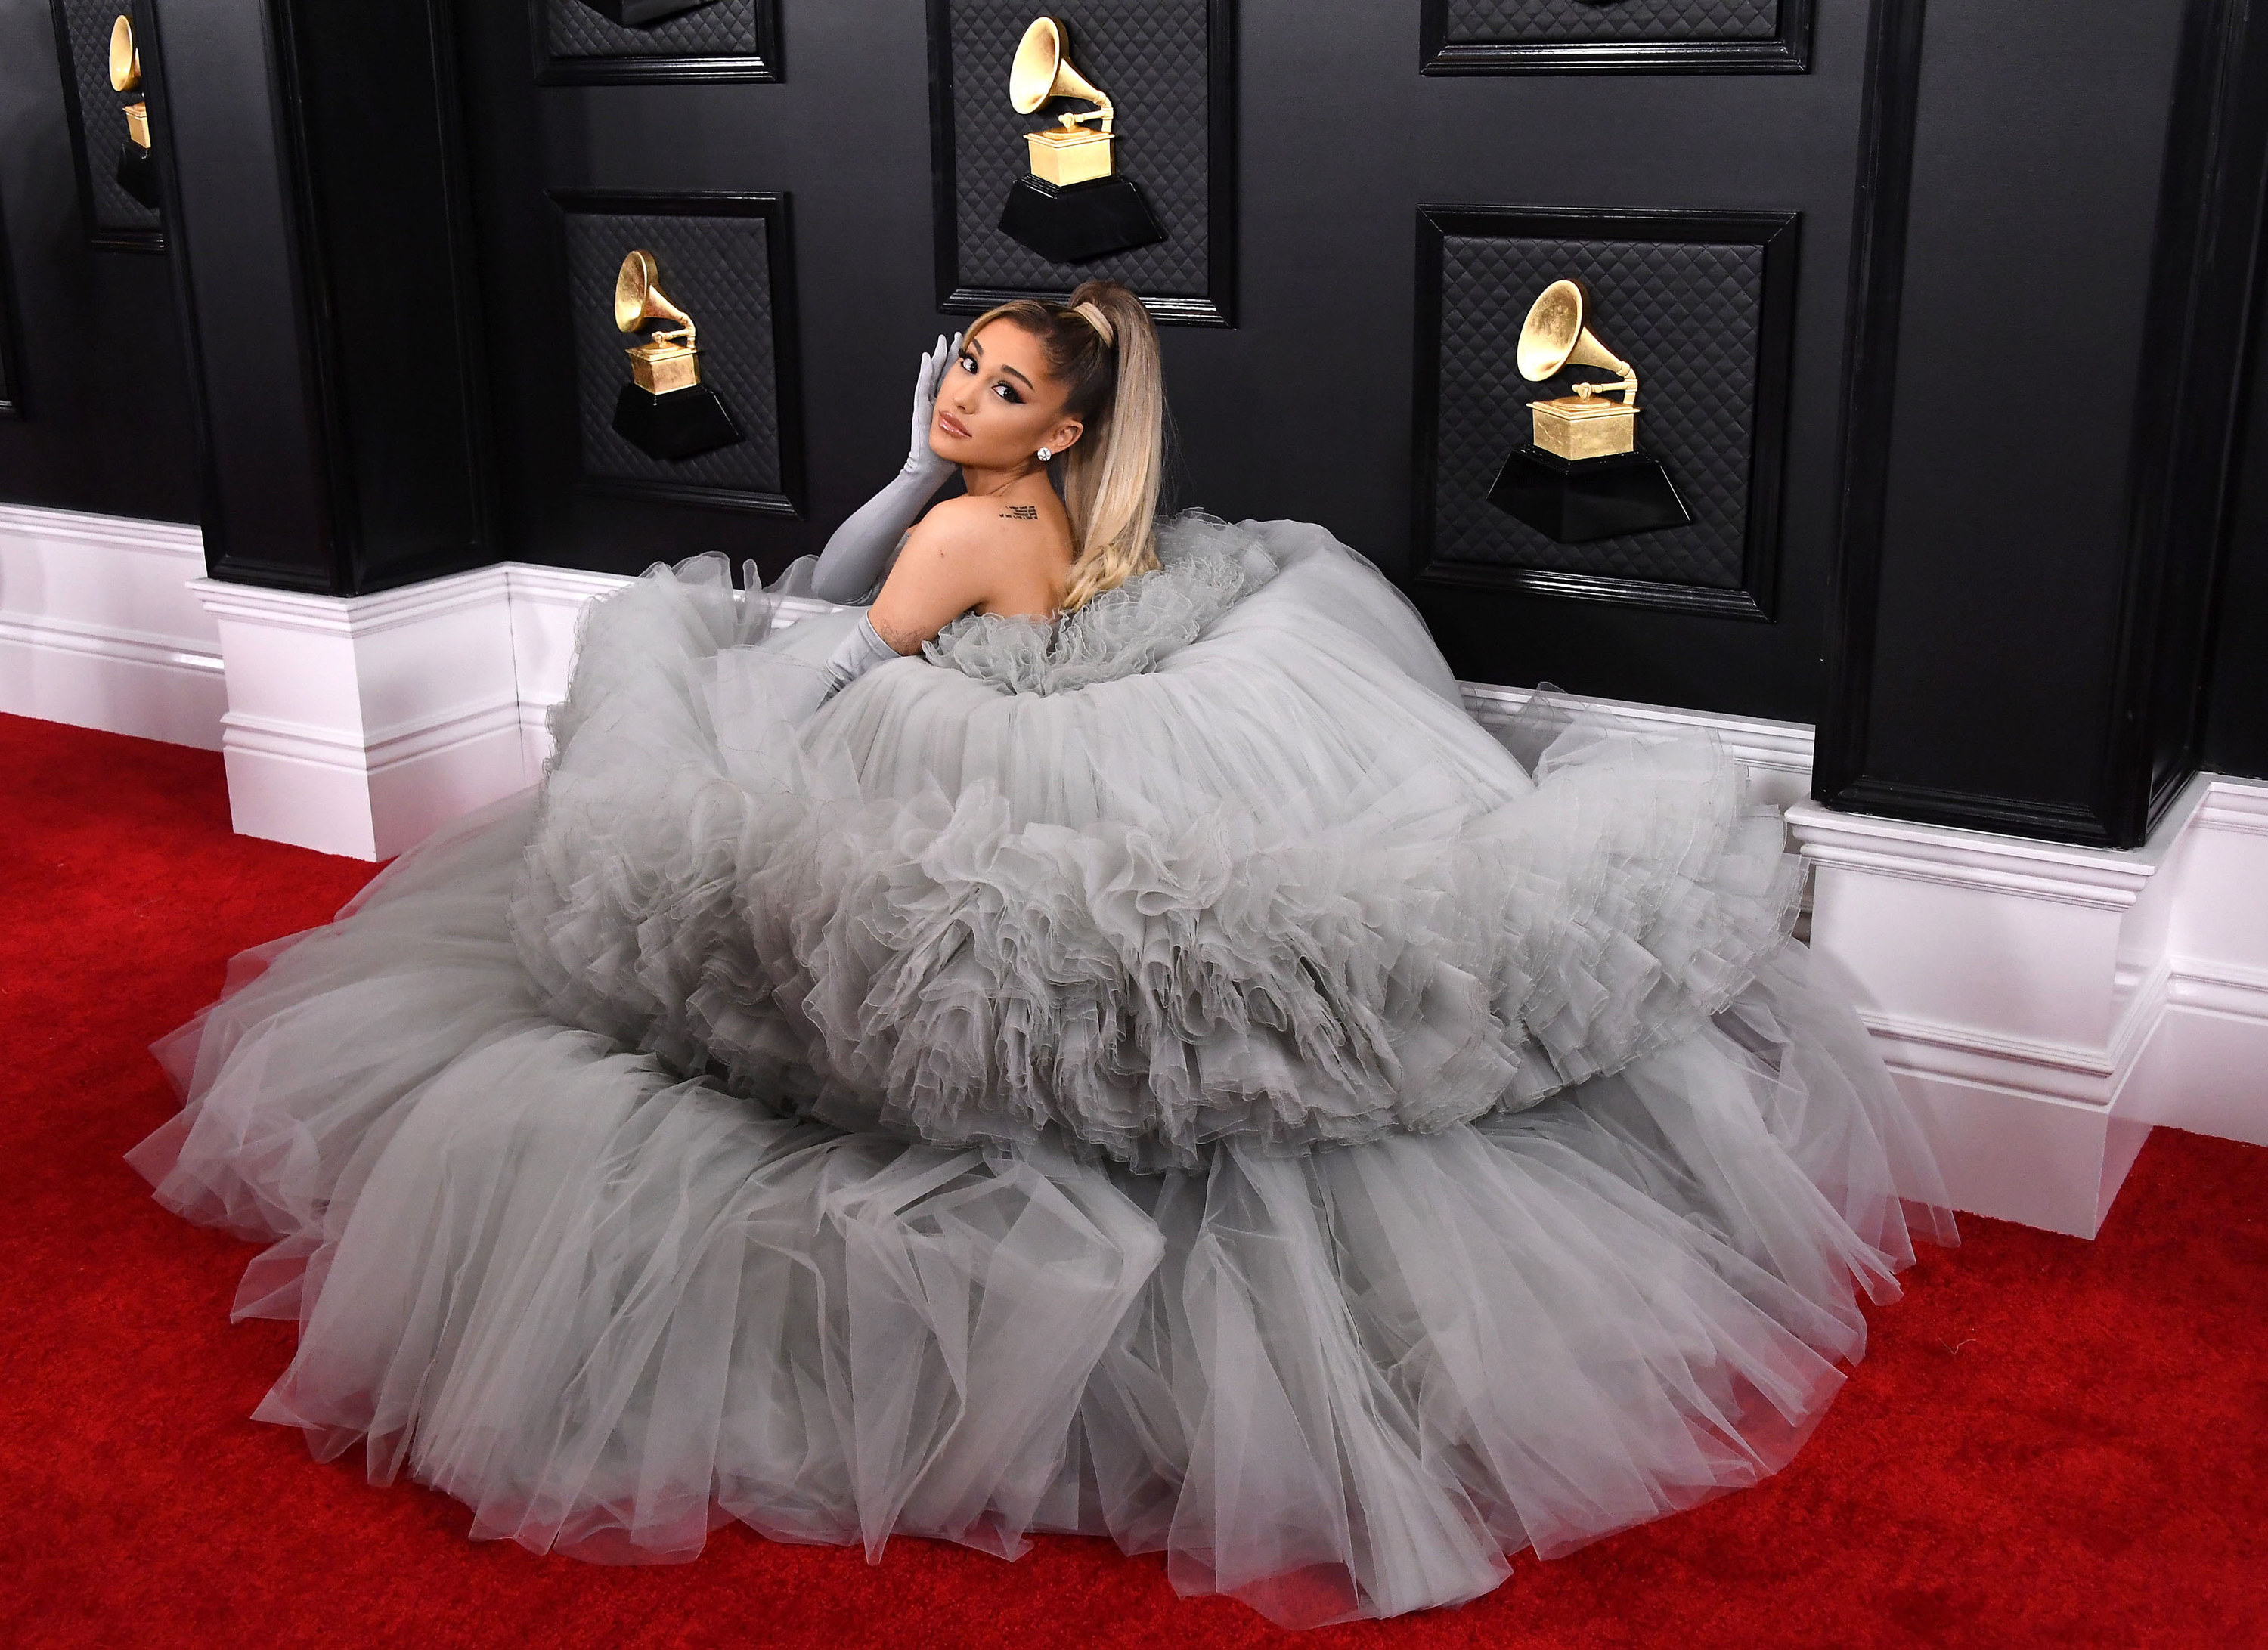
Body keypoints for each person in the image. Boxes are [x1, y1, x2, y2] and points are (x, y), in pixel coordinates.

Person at [129, 279, 1956, 1630]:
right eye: (963, 377)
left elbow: (828, 617)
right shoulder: (1077, 512)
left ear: (1054, 429)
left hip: (944, 712)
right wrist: (930, 470)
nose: (965, 400)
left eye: (996, 388)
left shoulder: (958, 523)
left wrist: (830, 610)